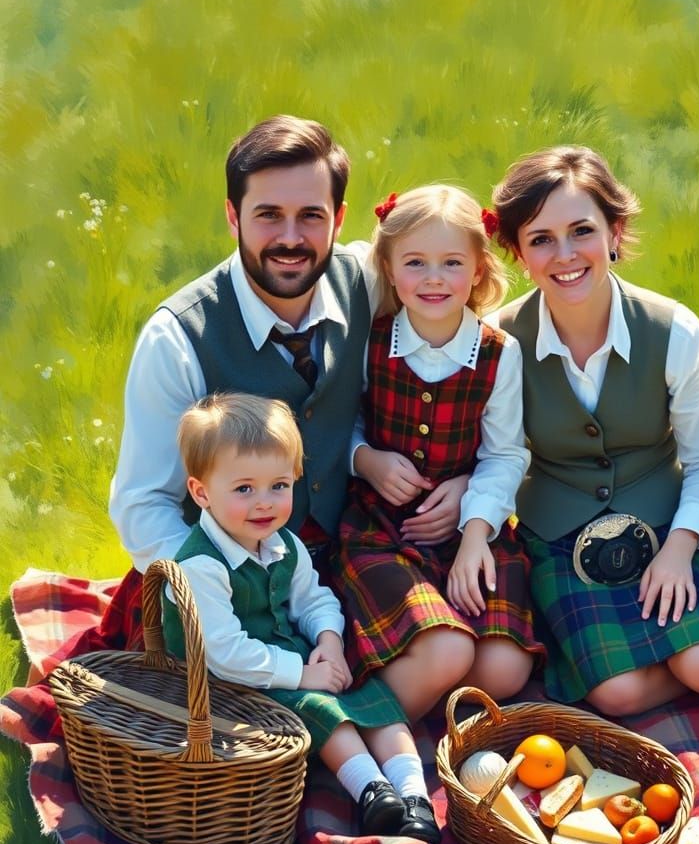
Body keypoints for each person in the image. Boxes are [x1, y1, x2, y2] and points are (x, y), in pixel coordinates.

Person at [95, 115, 463, 660]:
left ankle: (339, 721)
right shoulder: (177, 337)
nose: (290, 239)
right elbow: (142, 504)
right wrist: (218, 592)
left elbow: (463, 341)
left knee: (466, 655)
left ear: (337, 219)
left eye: (310, 216)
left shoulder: (366, 278)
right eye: (268, 216)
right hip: (230, 570)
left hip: (349, 546)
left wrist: (464, 479)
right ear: (232, 216)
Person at [490, 146, 699, 717]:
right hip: (559, 531)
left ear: (615, 232)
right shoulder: (502, 341)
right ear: (517, 252)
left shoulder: (674, 330)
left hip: (665, 520)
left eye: (581, 230)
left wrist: (681, 549)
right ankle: (671, 661)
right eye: (540, 239)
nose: (565, 255)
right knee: (616, 694)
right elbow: (503, 452)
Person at [161, 393, 441, 842]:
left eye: (279, 485)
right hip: (221, 684)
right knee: (322, 708)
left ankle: (414, 798)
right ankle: (372, 792)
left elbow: (314, 599)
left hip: (283, 657)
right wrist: (304, 674)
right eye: (244, 489)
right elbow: (225, 654)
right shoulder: (201, 566)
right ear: (201, 493)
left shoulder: (282, 543)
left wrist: (329, 641)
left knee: (375, 699)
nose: (264, 503)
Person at [336, 186, 542, 721]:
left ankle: (412, 681)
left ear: (477, 269)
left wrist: (476, 530)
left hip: (468, 527)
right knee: (450, 648)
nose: (433, 278)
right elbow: (342, 424)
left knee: (504, 670)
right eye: (415, 262)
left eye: (452, 263)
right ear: (388, 265)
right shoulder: (370, 340)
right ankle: (357, 724)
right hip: (383, 526)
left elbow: (505, 455)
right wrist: (368, 461)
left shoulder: (499, 353)